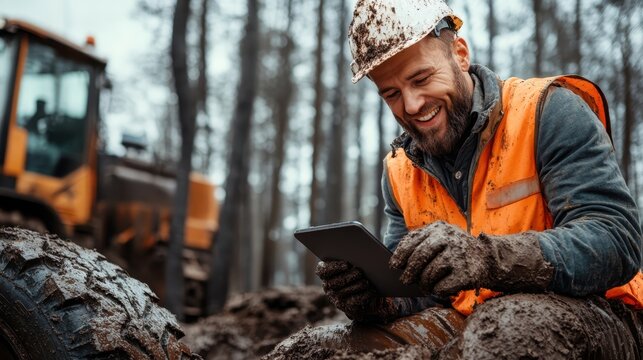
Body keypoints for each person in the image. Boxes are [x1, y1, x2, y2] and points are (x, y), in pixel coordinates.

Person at [282, 0, 643, 358]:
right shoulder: (399, 171)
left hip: (596, 313)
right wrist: (378, 300)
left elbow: (616, 240)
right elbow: (420, 294)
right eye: (391, 94)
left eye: (421, 78)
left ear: (460, 53)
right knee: (311, 350)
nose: (410, 105)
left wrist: (487, 258)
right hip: (469, 320)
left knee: (508, 334)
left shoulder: (547, 112)